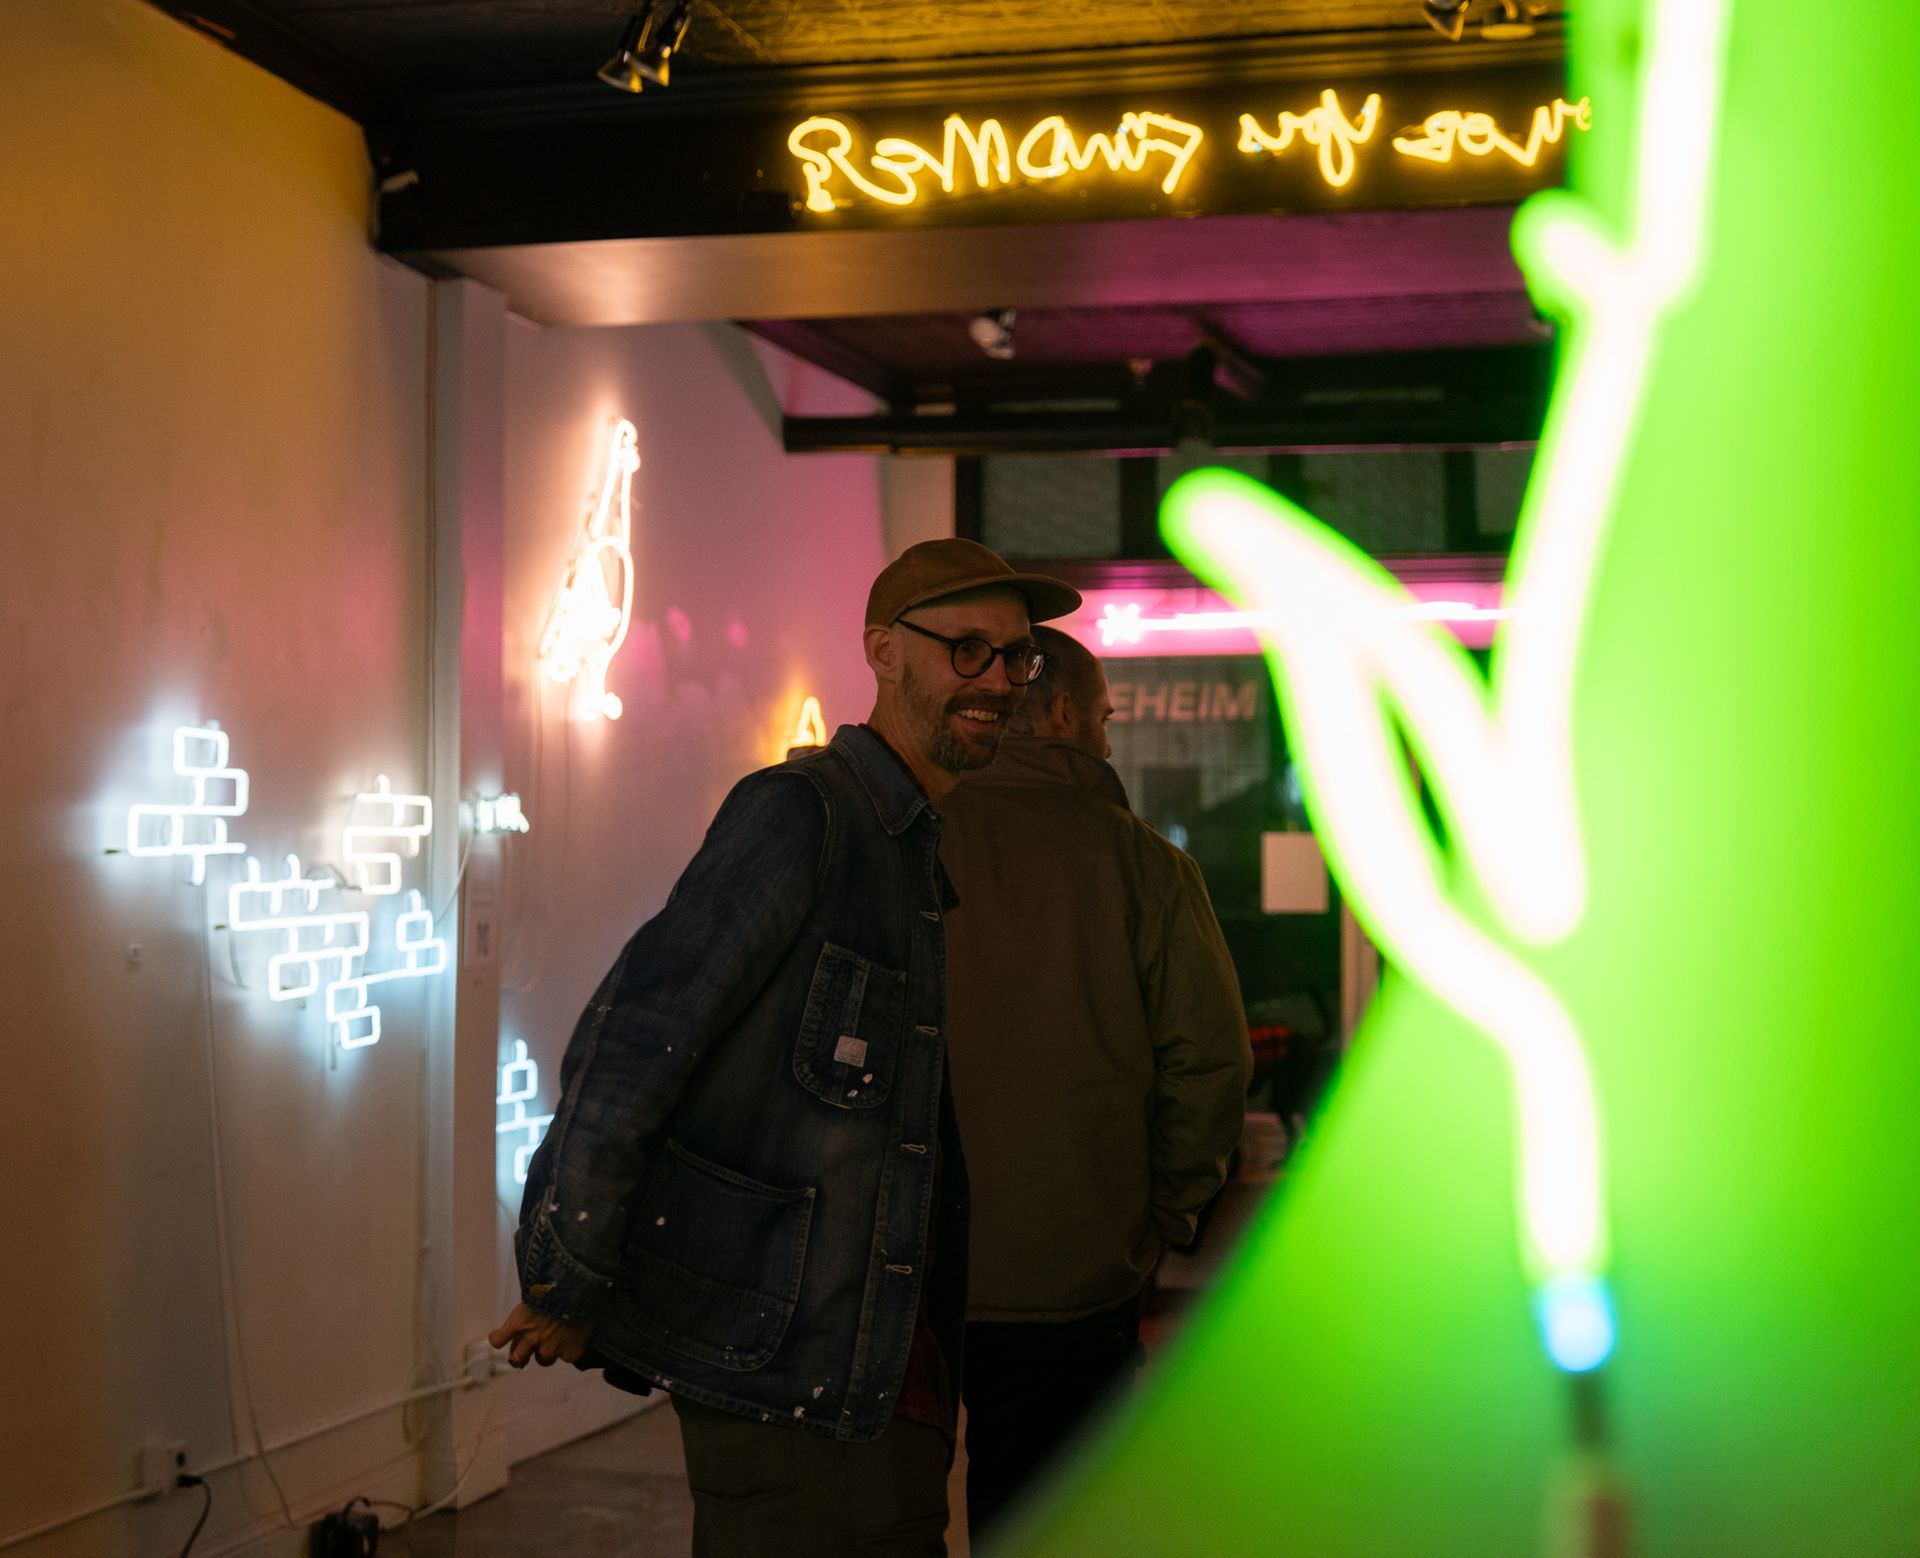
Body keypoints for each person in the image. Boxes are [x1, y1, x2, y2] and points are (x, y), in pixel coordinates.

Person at [489, 540, 1079, 1558]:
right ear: (884, 652)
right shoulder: (802, 814)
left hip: (874, 1366)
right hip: (787, 1368)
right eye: (967, 650)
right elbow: (636, 1039)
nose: (997, 681)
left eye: (1015, 658)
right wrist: (565, 1274)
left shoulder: (907, 847)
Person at [938, 624, 1253, 1544]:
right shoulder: (1144, 864)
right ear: (1067, 714)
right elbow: (1210, 1062)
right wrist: (1165, 1216)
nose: (1110, 738)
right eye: (1108, 716)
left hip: (913, 1269)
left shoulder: (906, 839)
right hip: (1077, 1275)